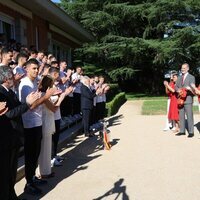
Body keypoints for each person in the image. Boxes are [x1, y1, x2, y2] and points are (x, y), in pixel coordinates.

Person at [0, 65, 39, 200]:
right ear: (6, 78)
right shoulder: (1, 92)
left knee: (11, 172)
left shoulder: (10, 91)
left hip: (14, 138)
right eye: (12, 76)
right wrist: (27, 104)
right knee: (5, 174)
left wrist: (28, 102)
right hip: (5, 139)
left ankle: (12, 196)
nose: (14, 78)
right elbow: (10, 113)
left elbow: (17, 108)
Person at [18, 59, 55, 195]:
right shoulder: (25, 84)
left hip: (37, 122)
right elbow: (31, 106)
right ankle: (29, 184)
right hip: (29, 124)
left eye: (37, 68)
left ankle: (33, 178)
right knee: (30, 155)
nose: (36, 71)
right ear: (26, 69)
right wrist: (46, 96)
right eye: (33, 68)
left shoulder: (34, 83)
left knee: (35, 153)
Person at [175, 63, 195, 137]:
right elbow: (176, 87)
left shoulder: (191, 77)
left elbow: (193, 88)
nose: (182, 69)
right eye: (182, 68)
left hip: (188, 99)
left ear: (188, 69)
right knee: (181, 115)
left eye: (184, 68)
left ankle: (191, 132)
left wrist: (188, 88)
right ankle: (182, 131)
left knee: (189, 115)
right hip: (180, 99)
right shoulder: (179, 77)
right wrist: (178, 90)